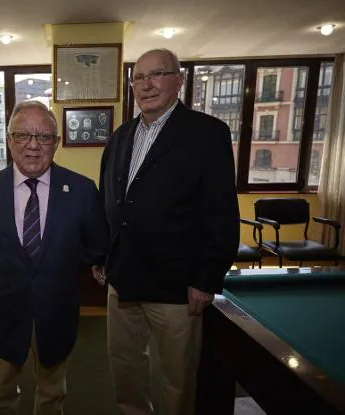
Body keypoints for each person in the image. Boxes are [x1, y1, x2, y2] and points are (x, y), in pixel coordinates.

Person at [96, 48, 240, 415]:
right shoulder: (119, 137)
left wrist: (207, 279)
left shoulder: (208, 134)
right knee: (125, 371)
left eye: (156, 74)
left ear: (179, 80)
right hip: (123, 281)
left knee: (175, 379)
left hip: (177, 286)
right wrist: (102, 257)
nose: (147, 85)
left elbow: (222, 213)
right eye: (139, 78)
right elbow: (108, 203)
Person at [0, 100, 108, 414]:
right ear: (9, 140)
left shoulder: (81, 190)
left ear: (56, 143)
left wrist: (60, 265)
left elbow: (96, 245)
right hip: (3, 312)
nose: (34, 146)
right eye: (23, 135)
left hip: (57, 313)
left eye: (45, 137)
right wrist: (3, 265)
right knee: (1, 396)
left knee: (52, 394)